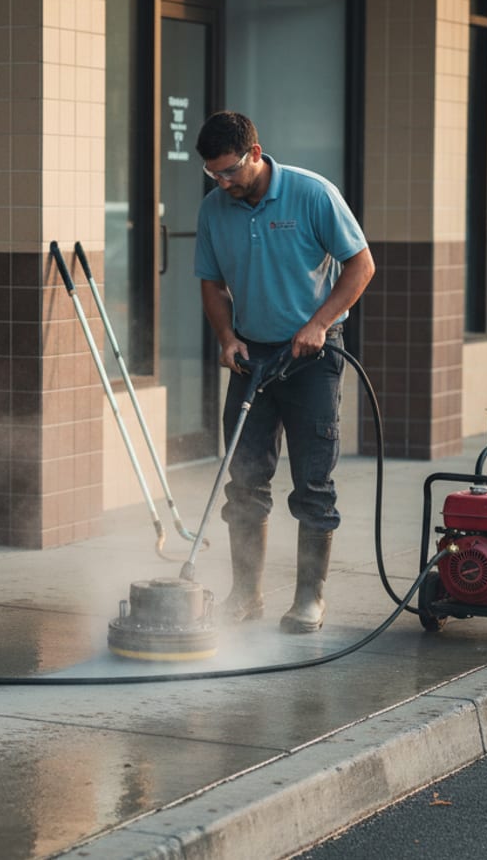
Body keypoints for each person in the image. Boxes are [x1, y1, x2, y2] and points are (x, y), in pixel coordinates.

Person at [193, 111, 375, 633]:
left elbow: (361, 264)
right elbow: (211, 282)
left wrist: (319, 324)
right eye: (213, 175)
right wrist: (227, 338)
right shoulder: (214, 210)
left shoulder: (312, 194)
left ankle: (308, 600)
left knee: (312, 483)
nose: (222, 183)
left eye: (229, 171)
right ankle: (246, 595)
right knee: (245, 481)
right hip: (252, 357)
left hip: (313, 358)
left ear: (255, 153)